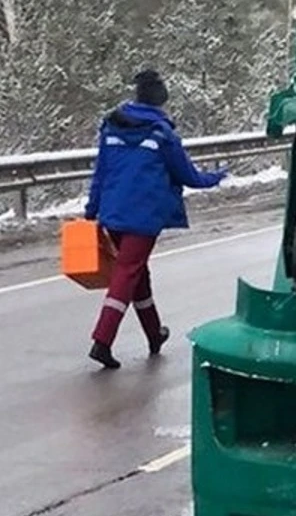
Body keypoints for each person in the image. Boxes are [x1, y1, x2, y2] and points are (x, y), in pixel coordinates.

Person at [82, 69, 227, 369]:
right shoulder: (162, 133)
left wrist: (92, 210)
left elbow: (101, 173)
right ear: (159, 99)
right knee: (126, 274)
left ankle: (154, 333)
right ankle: (102, 340)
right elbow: (187, 175)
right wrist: (215, 177)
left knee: (136, 273)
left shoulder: (111, 128)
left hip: (113, 214)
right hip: (143, 217)